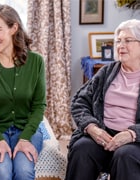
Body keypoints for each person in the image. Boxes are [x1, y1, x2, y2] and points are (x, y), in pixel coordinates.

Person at [0, 4, 46, 180]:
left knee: (23, 170)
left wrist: (26, 138)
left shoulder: (36, 62)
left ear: (14, 28)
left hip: (26, 129)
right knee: (3, 170)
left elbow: (38, 106)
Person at [65, 19, 140, 180]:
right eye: (118, 41)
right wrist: (92, 127)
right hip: (102, 134)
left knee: (125, 156)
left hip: (135, 141)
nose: (121, 45)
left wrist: (132, 133)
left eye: (128, 40)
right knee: (82, 149)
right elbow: (79, 101)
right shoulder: (107, 72)